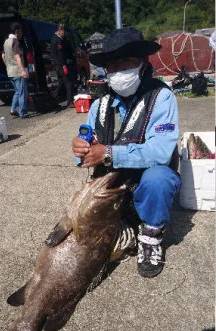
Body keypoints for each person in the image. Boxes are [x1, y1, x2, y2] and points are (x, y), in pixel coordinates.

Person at [72, 27, 182, 279]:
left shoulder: (162, 97)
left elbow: (161, 151)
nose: (119, 70)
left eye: (127, 61)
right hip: (112, 186)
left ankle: (151, 236)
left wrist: (109, 153)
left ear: (142, 63)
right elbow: (88, 148)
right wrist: (80, 149)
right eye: (112, 64)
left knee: (160, 178)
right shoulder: (98, 104)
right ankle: (119, 220)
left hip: (145, 183)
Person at [2, 22, 28, 118]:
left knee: (17, 91)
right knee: (22, 92)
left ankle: (13, 109)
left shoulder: (6, 42)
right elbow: (18, 57)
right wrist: (23, 71)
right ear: (17, 31)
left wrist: (8, 65)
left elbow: (3, 55)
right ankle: (22, 112)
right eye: (20, 31)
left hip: (10, 71)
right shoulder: (15, 42)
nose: (21, 33)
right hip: (17, 71)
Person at [51, 24, 75, 108]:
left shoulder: (58, 39)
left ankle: (53, 100)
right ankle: (70, 101)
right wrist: (64, 65)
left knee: (61, 84)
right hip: (61, 65)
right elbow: (59, 55)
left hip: (58, 65)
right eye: (64, 32)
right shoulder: (57, 40)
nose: (64, 34)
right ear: (60, 30)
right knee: (68, 83)